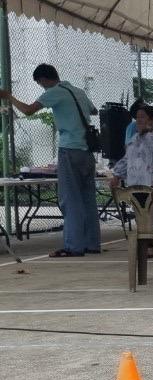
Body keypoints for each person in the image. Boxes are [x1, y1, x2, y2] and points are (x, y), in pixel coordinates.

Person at [1, 64, 101, 257]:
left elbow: (28, 110)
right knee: (88, 198)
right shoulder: (78, 91)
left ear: (43, 80)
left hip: (69, 149)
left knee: (70, 199)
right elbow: (93, 111)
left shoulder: (54, 92)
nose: (42, 87)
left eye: (40, 84)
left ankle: (73, 246)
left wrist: (9, 97)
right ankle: (92, 243)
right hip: (87, 151)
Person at [109, 105, 153, 189]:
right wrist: (116, 176)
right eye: (137, 118)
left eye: (142, 117)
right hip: (136, 187)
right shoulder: (136, 138)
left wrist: (147, 133)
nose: (138, 120)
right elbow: (127, 159)